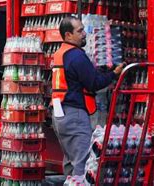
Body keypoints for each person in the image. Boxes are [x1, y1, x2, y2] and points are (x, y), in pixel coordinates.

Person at [51, 16, 124, 184]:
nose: (84, 34)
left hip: (60, 113)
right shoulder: (76, 56)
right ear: (68, 35)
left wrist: (105, 71)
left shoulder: (61, 53)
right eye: (80, 31)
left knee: (70, 160)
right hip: (74, 114)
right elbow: (94, 83)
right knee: (81, 162)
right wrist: (114, 74)